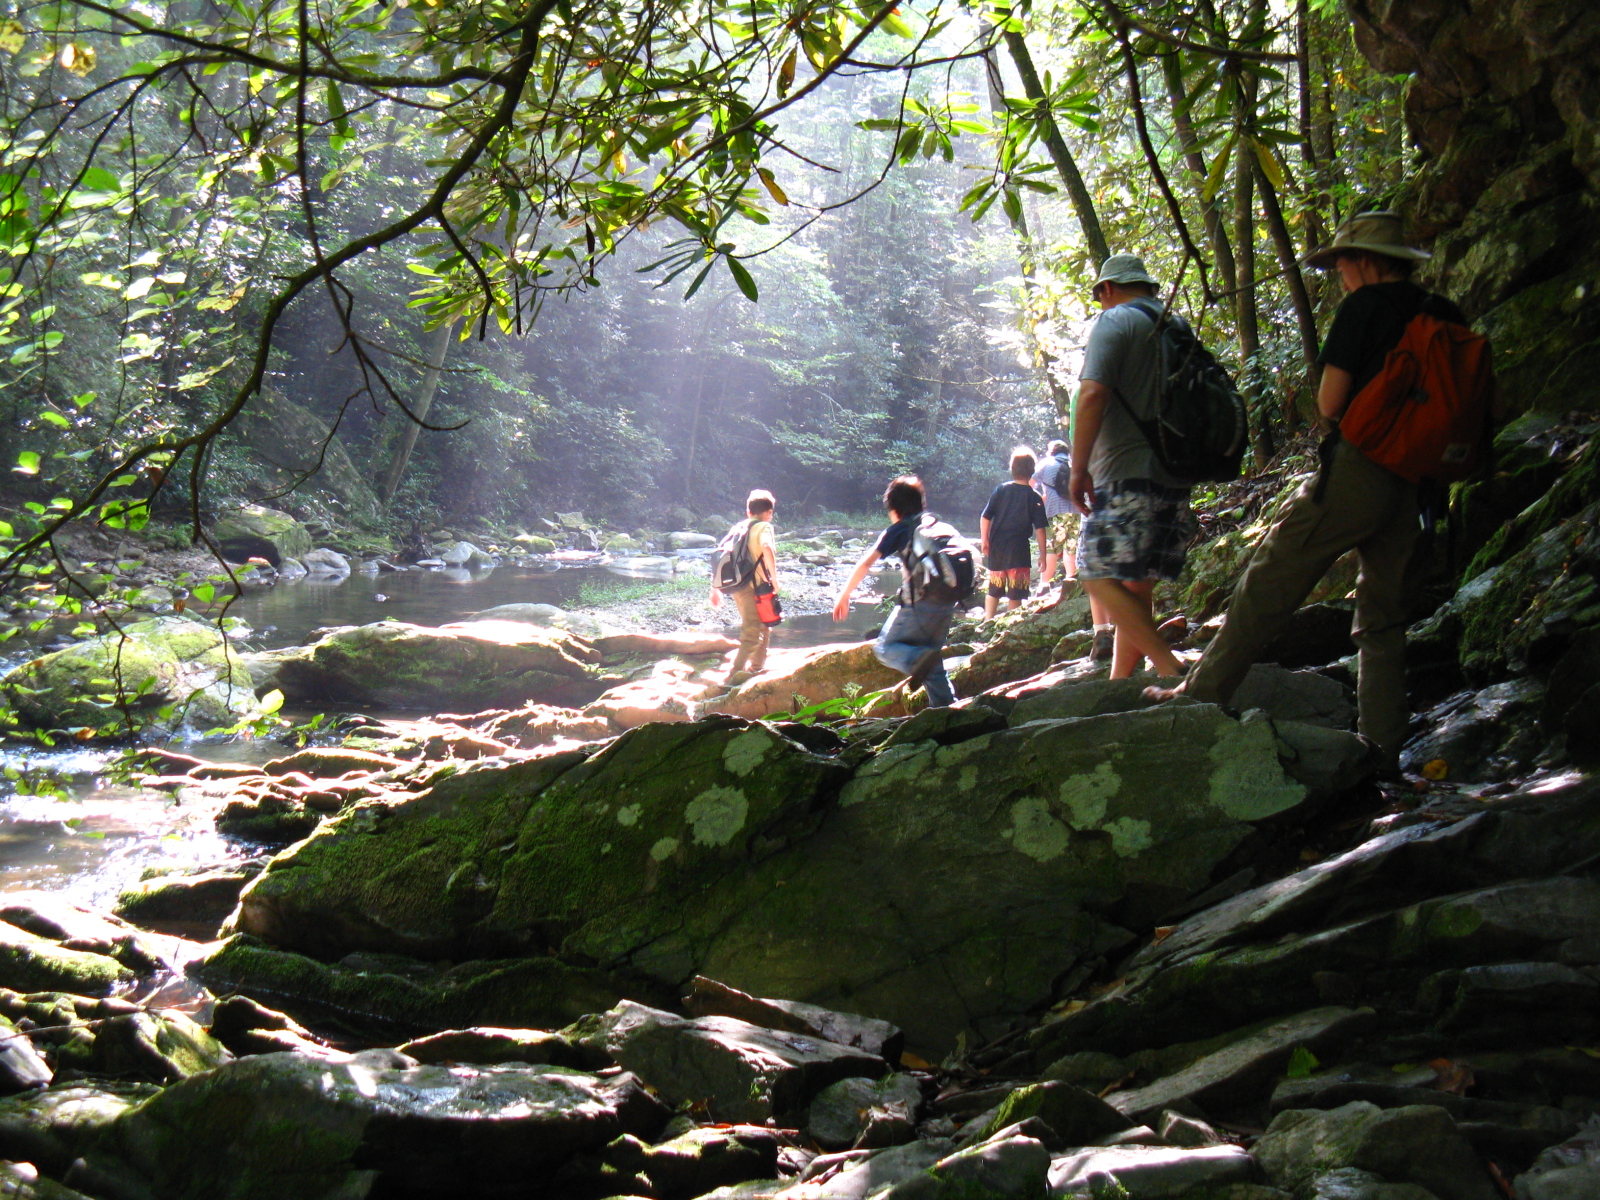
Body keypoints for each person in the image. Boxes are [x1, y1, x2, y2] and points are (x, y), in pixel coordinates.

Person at [1145, 211, 1479, 765]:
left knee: (1270, 578)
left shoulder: (1363, 308)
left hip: (1361, 471)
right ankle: (1382, 745)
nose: (1340, 274)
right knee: (1385, 617)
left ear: (1367, 263)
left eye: (1344, 262)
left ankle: (1201, 693)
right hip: (1421, 482)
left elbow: (1329, 402)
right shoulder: (1442, 312)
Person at [1066, 253, 1197, 681]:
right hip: (1175, 470)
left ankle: (1169, 667)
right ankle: (1120, 685)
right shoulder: (1176, 327)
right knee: (1137, 583)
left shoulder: (1116, 320)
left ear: (1106, 289)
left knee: (1095, 574)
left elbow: (1092, 395)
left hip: (1126, 472)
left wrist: (1077, 467)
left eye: (1099, 294)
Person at [832, 475, 955, 707]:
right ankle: (948, 710)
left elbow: (865, 563)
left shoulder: (900, 529)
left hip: (919, 604)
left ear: (894, 508)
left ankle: (920, 663)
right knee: (933, 660)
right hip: (948, 601)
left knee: (885, 648)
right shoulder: (935, 524)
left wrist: (845, 594)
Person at [1032, 438, 1113, 658]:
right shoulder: (1074, 463)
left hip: (1055, 511)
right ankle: (1070, 577)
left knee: (1051, 548)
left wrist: (1040, 498)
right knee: (1071, 547)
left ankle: (1044, 584)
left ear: (1051, 451)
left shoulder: (1045, 464)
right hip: (1077, 511)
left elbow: (1030, 483)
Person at [709, 489, 778, 685]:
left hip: (737, 586)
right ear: (769, 512)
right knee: (751, 633)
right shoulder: (764, 527)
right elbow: (767, 548)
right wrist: (774, 579)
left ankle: (756, 669)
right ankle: (732, 677)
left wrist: (714, 589)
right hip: (754, 587)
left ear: (748, 511)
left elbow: (720, 557)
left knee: (763, 625)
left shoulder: (739, 527)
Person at [980, 447, 1048, 617]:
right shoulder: (1034, 497)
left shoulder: (1001, 490)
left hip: (998, 546)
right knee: (1016, 593)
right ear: (1032, 470)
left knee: (994, 589)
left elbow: (985, 517)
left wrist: (985, 540)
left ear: (1012, 468)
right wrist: (1043, 555)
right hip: (1019, 550)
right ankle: (1010, 627)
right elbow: (1040, 529)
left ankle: (986, 621)